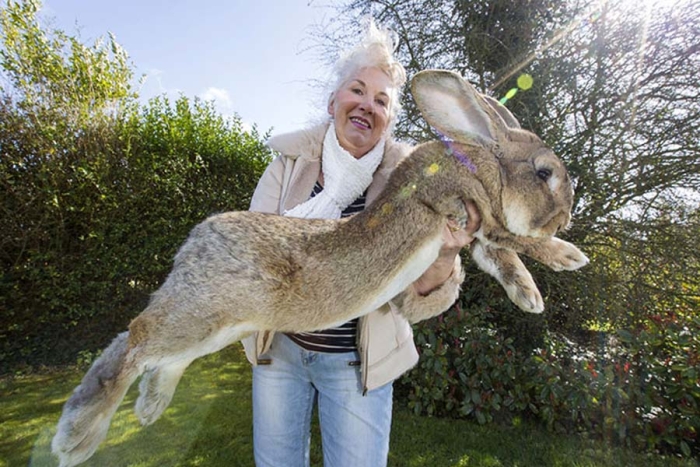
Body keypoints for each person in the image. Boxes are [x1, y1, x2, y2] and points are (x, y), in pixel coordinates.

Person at [242, 21, 481, 467]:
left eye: (382, 101)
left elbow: (414, 301)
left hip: (358, 366)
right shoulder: (287, 166)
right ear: (333, 101)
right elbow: (251, 255)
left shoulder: (411, 185)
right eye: (357, 90)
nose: (367, 105)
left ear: (389, 121)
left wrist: (446, 251)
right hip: (283, 355)